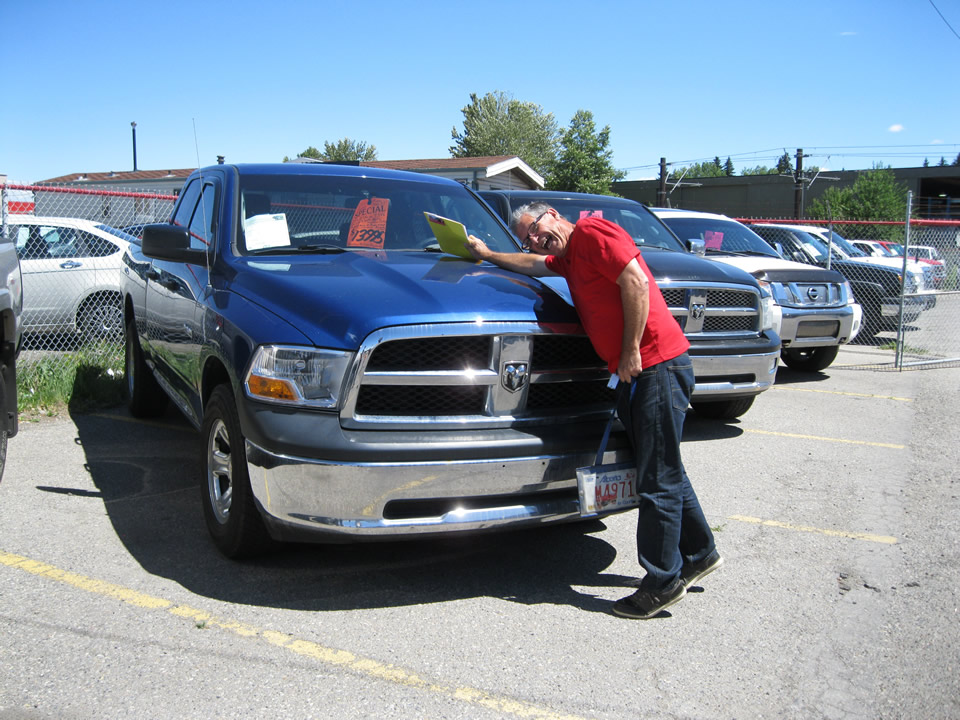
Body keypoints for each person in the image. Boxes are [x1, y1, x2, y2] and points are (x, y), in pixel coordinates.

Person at [464, 203, 722, 619]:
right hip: (636, 371)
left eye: (534, 228)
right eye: (526, 237)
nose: (533, 239)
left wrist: (631, 351)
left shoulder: (592, 234)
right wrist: (489, 255)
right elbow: (532, 263)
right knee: (663, 466)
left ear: (550, 213)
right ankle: (700, 553)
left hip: (654, 366)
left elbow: (636, 283)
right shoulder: (568, 255)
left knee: (657, 478)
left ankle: (662, 581)